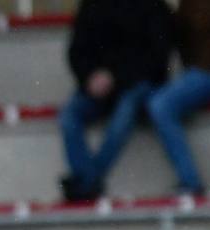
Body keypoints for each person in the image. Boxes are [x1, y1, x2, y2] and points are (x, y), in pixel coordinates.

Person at [58, 0, 173, 203]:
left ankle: (86, 183)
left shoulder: (153, 6)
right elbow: (76, 51)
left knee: (124, 112)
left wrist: (115, 77)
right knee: (69, 115)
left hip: (137, 84)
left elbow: (157, 58)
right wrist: (90, 77)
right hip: (97, 86)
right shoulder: (92, 6)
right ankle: (89, 182)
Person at [146, 0, 210, 197]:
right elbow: (182, 36)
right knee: (160, 105)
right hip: (202, 71)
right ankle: (189, 181)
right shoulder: (191, 3)